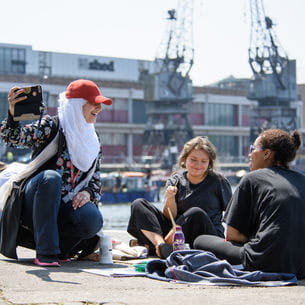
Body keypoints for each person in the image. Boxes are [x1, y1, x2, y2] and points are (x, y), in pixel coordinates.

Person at [0, 79, 112, 266]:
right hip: (35, 202)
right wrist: (13, 114)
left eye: (100, 104)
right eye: (94, 103)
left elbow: (95, 178)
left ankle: (62, 250)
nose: (99, 108)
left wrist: (87, 193)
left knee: (92, 218)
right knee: (51, 178)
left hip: (65, 206)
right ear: (77, 105)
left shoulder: (93, 139)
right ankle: (46, 253)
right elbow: (13, 139)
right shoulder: (51, 126)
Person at [194, 129, 305, 279]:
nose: (249, 154)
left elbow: (232, 235)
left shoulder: (252, 179)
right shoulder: (302, 180)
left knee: (200, 240)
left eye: (253, 149)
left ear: (267, 154)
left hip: (264, 261)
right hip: (300, 267)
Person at [127, 136, 232, 258]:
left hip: (206, 234)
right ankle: (160, 245)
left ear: (209, 163)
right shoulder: (176, 180)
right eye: (193, 159)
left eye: (204, 161)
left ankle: (154, 245)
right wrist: (170, 198)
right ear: (185, 159)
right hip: (177, 234)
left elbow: (231, 214)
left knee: (195, 212)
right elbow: (168, 215)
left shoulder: (218, 182)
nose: (198, 165)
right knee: (139, 204)